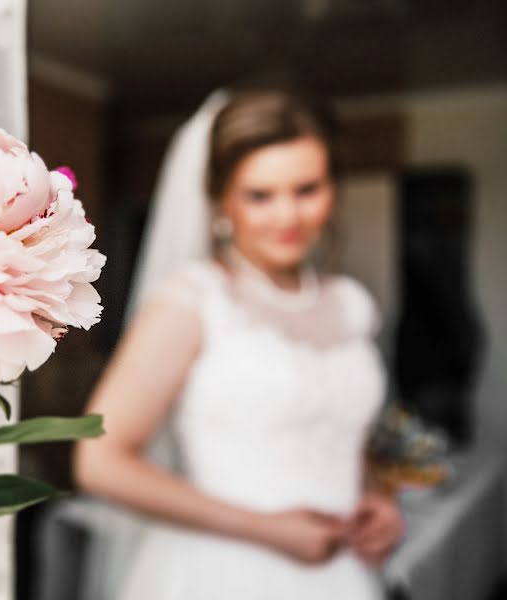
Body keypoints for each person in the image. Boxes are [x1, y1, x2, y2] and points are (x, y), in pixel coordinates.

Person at [72, 89, 405, 600]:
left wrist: (376, 499)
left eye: (307, 189)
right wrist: (268, 529)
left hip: (339, 571)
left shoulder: (350, 303)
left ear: (333, 186)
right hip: (221, 572)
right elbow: (100, 461)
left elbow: (341, 436)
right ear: (222, 198)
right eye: (260, 195)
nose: (288, 216)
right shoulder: (192, 302)